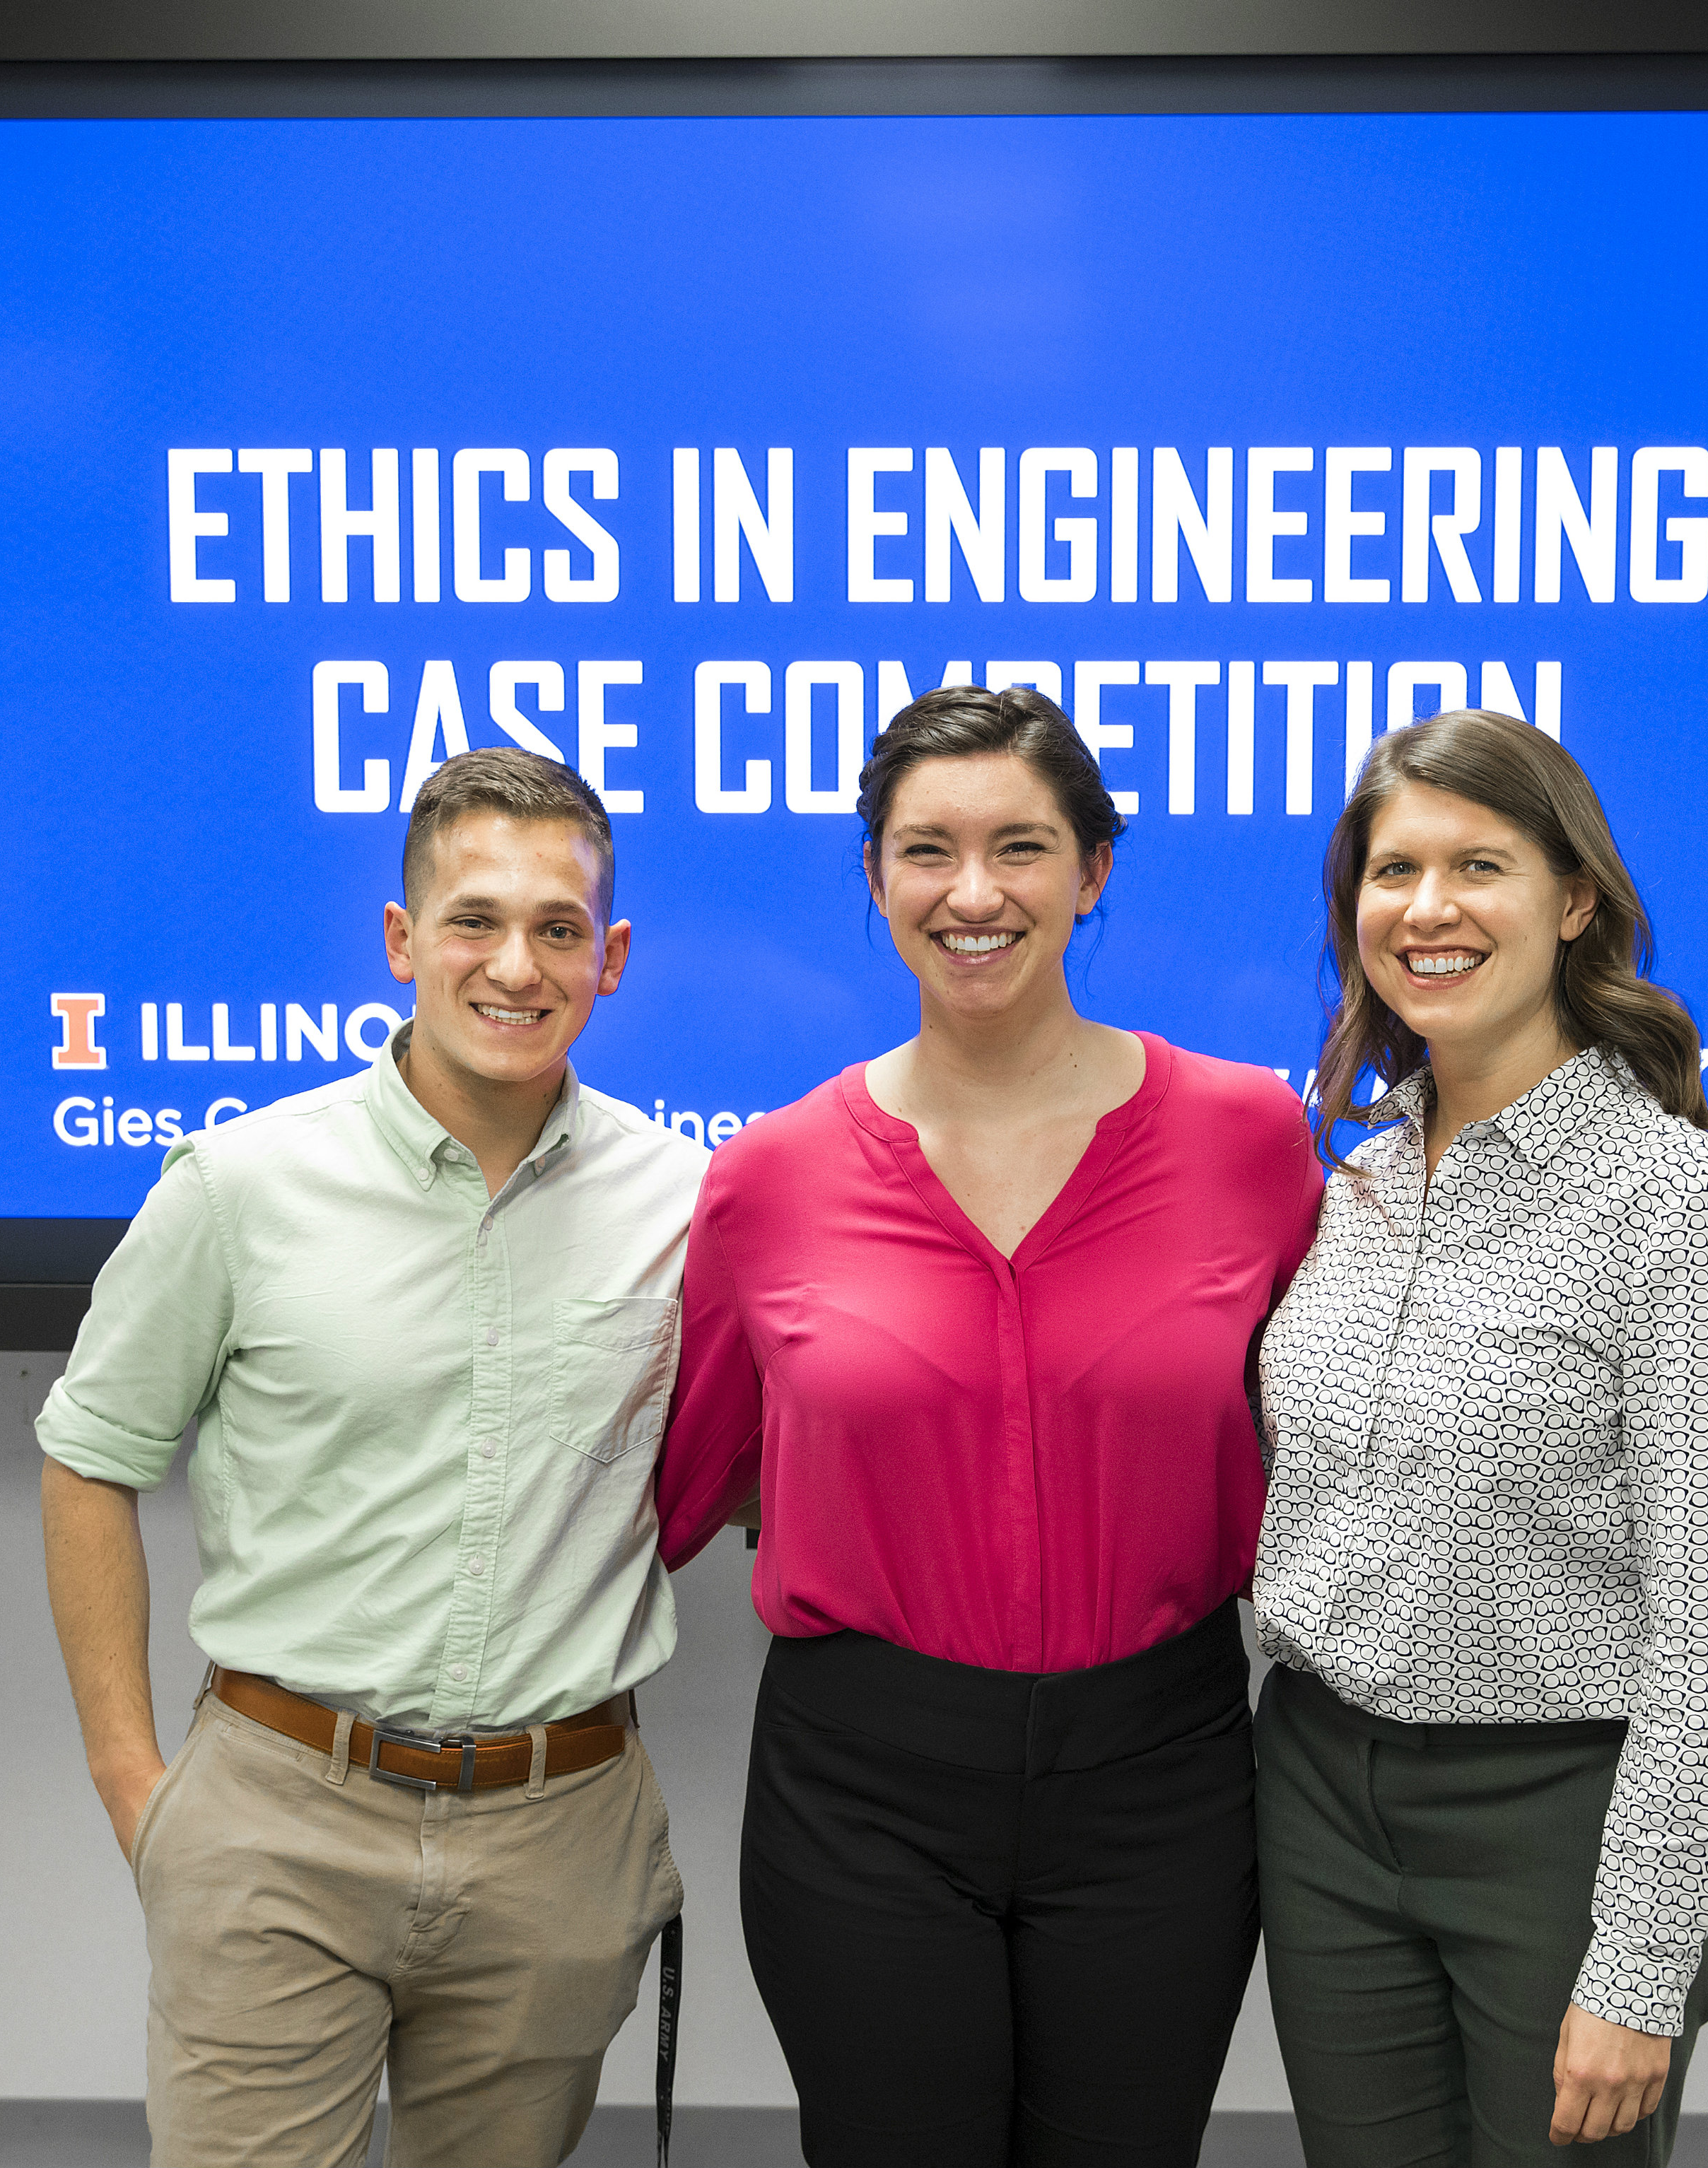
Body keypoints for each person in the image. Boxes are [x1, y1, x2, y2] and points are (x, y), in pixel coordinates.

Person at [655, 684, 1325, 2168]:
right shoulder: (768, 1178)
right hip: (863, 1784)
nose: (973, 893)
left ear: (1093, 871)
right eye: (925, 851)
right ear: (876, 879)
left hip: (1162, 1769)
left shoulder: (1252, 1142)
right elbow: (675, 1485)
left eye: (1020, 846)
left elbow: (1339, 1442)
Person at [37, 748, 703, 2167]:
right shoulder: (239, 1184)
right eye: (473, 920)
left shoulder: (690, 1200)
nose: (514, 965)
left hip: (558, 1833)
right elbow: (90, 1454)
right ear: (402, 939)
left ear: (613, 957)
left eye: (558, 928)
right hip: (276, 1820)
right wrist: (130, 1781)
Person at [1251, 711, 1708, 2166]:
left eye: (1475, 865)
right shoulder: (1351, 1182)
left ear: (1569, 901)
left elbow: (1705, 1637)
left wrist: (1637, 1964)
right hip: (1316, 1802)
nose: (1424, 910)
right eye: (1391, 870)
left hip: (1552, 1823)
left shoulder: (1679, 1205)